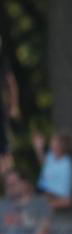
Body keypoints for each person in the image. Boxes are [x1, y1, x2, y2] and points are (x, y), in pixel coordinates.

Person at [32, 130, 72, 211]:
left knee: (67, 201)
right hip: (45, 190)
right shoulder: (50, 156)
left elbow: (65, 184)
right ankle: (40, 206)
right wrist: (38, 148)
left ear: (60, 146)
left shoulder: (67, 163)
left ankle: (40, 206)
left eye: (53, 141)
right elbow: (44, 164)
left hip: (56, 193)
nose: (50, 143)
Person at [0, 37, 20, 175]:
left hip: (1, 112)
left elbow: (12, 83)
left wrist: (14, 105)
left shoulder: (3, 62)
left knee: (5, 151)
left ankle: (8, 185)